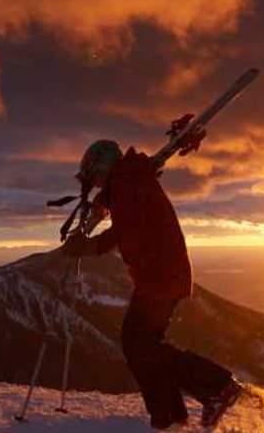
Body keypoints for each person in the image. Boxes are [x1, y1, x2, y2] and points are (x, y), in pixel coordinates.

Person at [62, 133, 242, 430]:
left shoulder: (127, 185)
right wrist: (102, 205)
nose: (93, 183)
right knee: (141, 344)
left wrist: (87, 246)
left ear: (102, 169)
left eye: (94, 177)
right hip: (161, 275)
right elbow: (129, 221)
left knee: (139, 345)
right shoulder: (128, 180)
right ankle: (172, 414)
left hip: (160, 276)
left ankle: (215, 389)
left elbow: (125, 232)